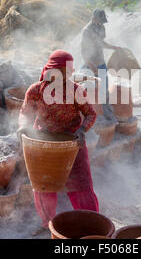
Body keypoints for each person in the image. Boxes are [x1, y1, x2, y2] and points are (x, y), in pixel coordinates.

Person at [17, 50, 99, 232]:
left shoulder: (77, 91)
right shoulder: (36, 90)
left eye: (66, 72)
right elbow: (25, 113)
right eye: (58, 71)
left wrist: (82, 130)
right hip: (44, 143)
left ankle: (91, 223)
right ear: (49, 70)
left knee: (81, 185)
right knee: (44, 186)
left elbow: (90, 114)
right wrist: (24, 126)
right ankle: (48, 224)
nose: (62, 76)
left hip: (73, 142)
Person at [80, 9, 122, 117]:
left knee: (104, 85)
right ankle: (86, 111)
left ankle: (104, 109)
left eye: (103, 21)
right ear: (93, 18)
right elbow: (83, 49)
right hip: (89, 62)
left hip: (100, 60)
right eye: (100, 20)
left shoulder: (102, 27)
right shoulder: (87, 31)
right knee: (87, 87)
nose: (101, 22)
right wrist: (89, 63)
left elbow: (101, 43)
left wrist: (113, 48)